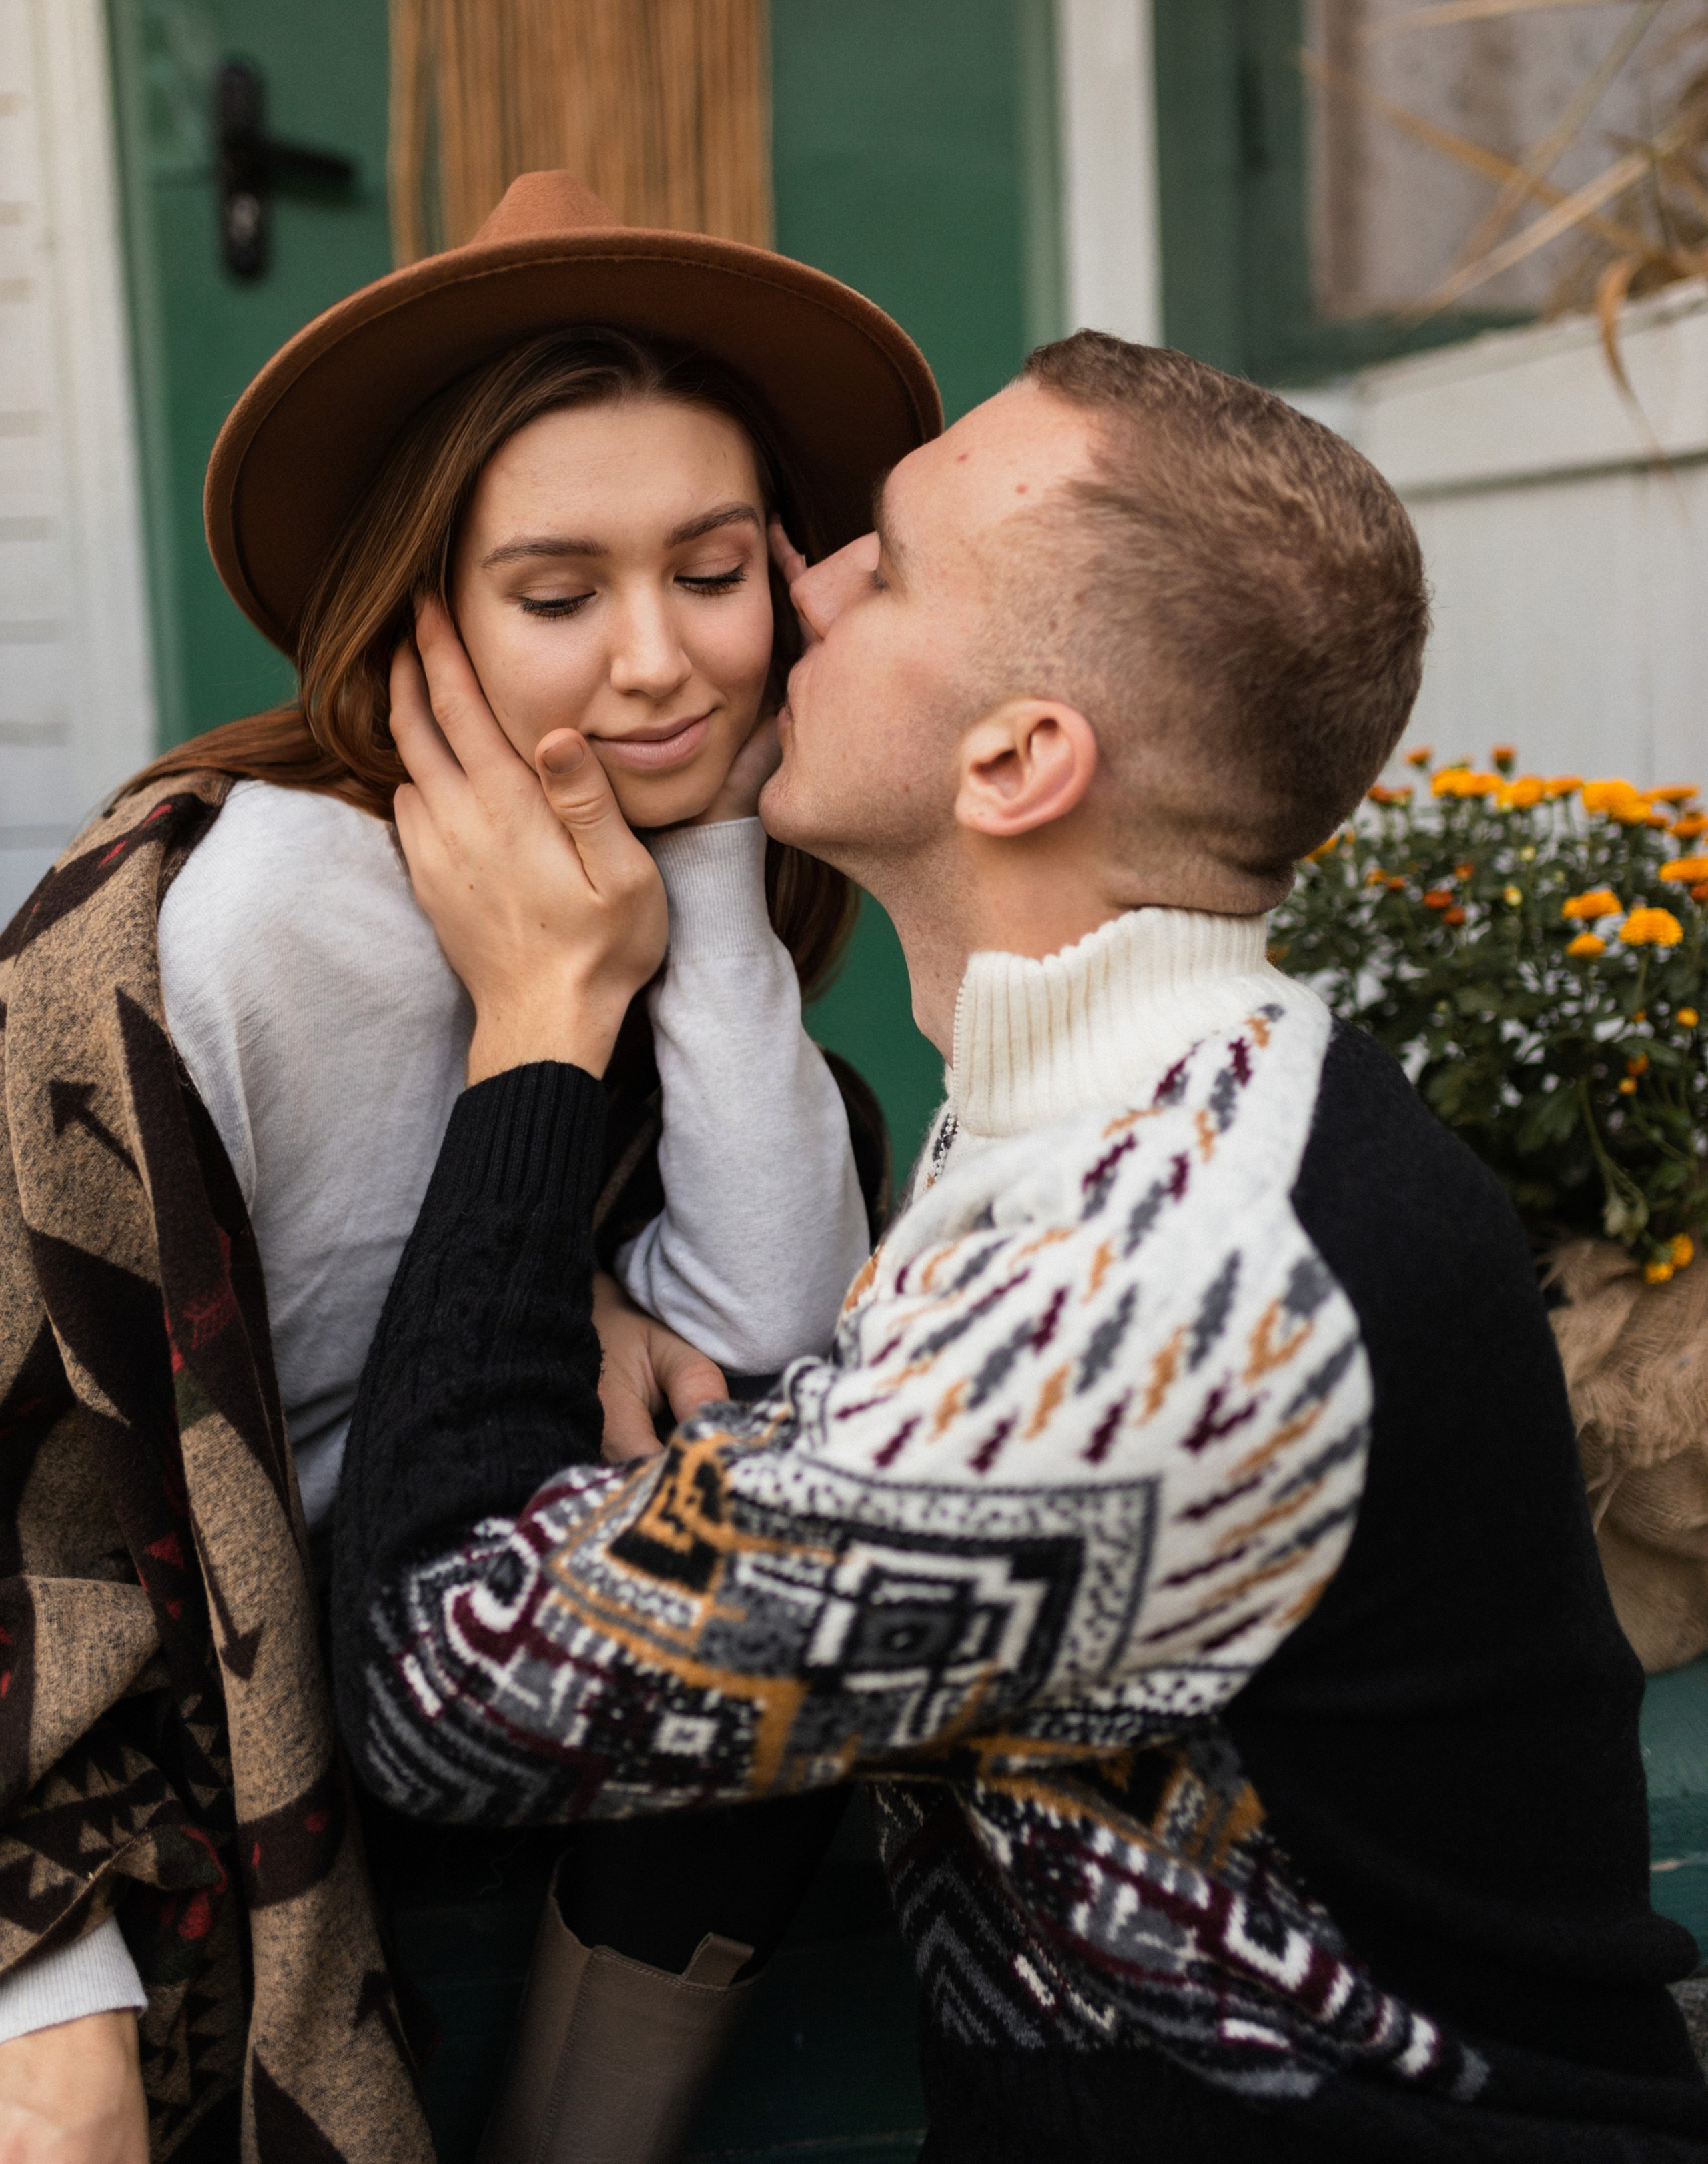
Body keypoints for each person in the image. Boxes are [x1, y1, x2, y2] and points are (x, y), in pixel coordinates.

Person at [336, 330, 1708, 2161]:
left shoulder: (1177, 1290)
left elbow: (446, 1683)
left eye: (889, 567)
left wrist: (537, 1023)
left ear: (1017, 762)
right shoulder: (1121, 1113)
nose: (807, 588)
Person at [0, 172, 939, 2160]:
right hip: (164, 1668)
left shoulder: (678, 879)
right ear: (418, 615)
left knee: (775, 1587)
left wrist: (706, 873)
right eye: (558, 598)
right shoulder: (261, 919)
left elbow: (774, 1340)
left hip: (456, 1647)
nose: (657, 661)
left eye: (712, 573)